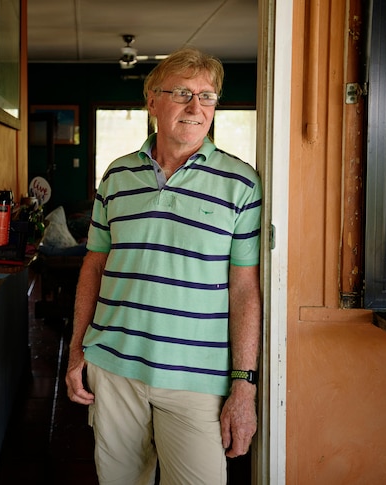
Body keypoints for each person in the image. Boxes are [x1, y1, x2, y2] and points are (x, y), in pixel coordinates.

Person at [65, 47, 263, 484]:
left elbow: (245, 290)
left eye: (207, 96)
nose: (197, 107)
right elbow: (94, 267)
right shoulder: (116, 177)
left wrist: (244, 383)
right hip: (114, 367)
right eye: (182, 93)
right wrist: (78, 349)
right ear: (152, 101)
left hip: (198, 379)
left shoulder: (242, 184)